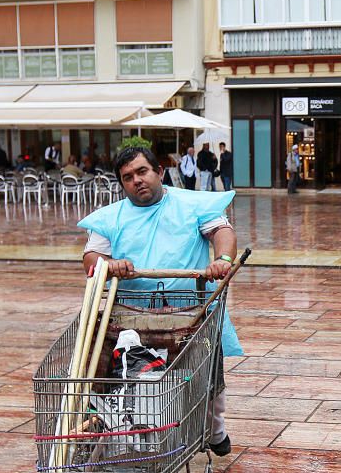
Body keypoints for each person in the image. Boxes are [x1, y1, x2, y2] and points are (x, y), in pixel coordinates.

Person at [77, 145, 241, 457]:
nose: (137, 180)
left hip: (189, 312)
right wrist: (109, 265)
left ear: (159, 173)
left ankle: (214, 430)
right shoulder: (111, 218)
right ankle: (129, 437)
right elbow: (91, 256)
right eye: (128, 177)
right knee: (126, 380)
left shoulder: (191, 204)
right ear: (122, 184)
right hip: (133, 316)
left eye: (142, 172)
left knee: (206, 381)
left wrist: (221, 259)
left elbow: (222, 231)